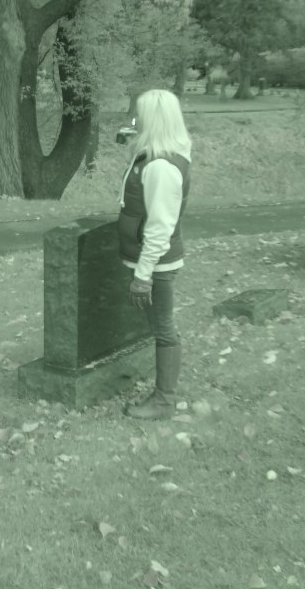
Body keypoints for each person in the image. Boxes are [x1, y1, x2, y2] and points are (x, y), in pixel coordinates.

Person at [117, 89, 192, 420]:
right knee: (160, 325)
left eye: (140, 115)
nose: (135, 119)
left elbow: (160, 228)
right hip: (150, 260)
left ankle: (164, 401)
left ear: (154, 120)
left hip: (156, 264)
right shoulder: (159, 154)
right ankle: (163, 395)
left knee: (163, 328)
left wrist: (143, 275)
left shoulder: (161, 167)